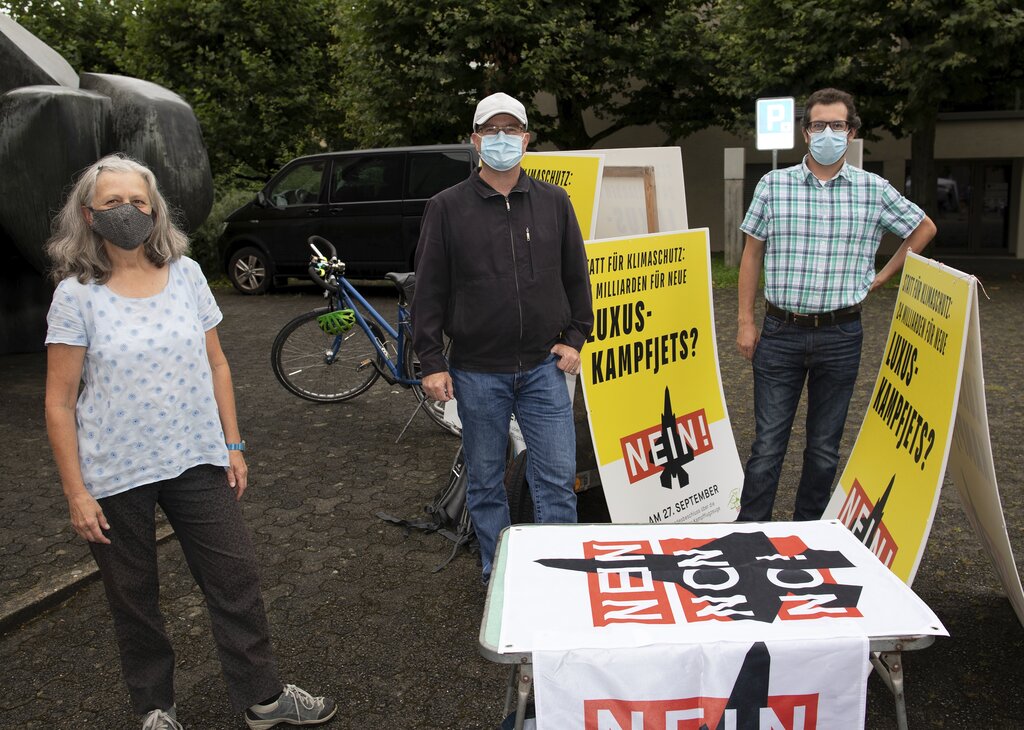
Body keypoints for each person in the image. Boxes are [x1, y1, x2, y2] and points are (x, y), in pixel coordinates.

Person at [43, 154, 337, 730]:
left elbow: (218, 363)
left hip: (196, 458)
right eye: (112, 203)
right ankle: (156, 708)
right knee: (134, 600)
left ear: (155, 209)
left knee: (237, 579)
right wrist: (76, 492)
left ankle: (263, 698)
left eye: (137, 200)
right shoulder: (75, 296)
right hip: (114, 472)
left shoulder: (188, 274)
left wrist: (234, 444)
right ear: (88, 214)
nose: (126, 211)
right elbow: (57, 401)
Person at [412, 92, 593, 583]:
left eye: (511, 130)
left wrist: (576, 335)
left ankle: (559, 579)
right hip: (475, 372)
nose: (501, 140)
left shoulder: (554, 202)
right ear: (474, 141)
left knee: (556, 480)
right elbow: (428, 291)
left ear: (527, 139)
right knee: (487, 483)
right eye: (491, 131)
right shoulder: (446, 208)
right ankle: (502, 576)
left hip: (542, 368)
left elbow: (577, 277)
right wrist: (431, 360)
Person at [735, 88, 937, 522]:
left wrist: (884, 276)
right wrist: (745, 321)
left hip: (841, 335)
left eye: (838, 125)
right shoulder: (774, 185)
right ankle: (749, 532)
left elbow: (923, 228)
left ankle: (809, 532)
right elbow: (751, 254)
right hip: (780, 331)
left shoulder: (873, 189)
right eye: (818, 125)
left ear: (852, 132)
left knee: (824, 447)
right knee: (768, 442)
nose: (828, 133)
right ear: (805, 133)